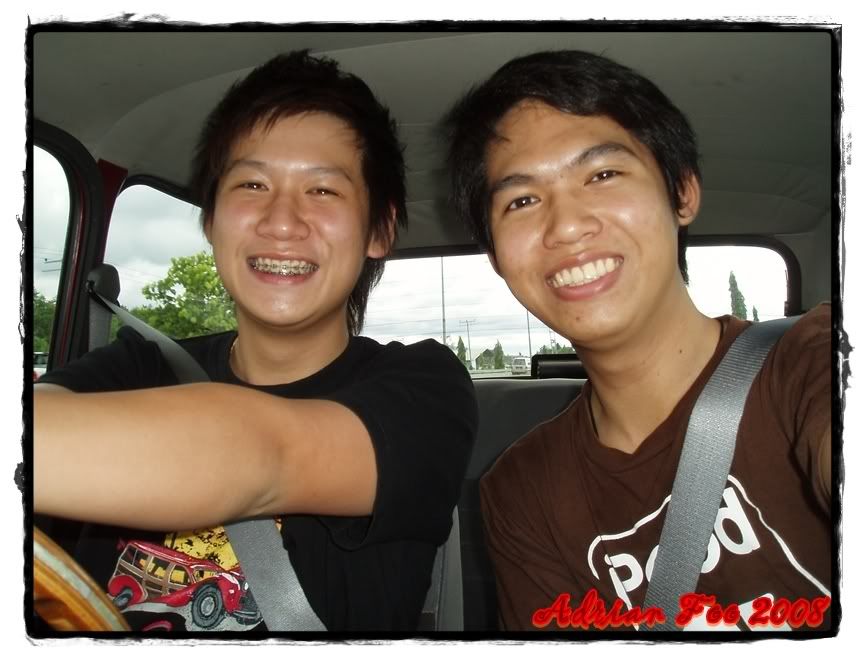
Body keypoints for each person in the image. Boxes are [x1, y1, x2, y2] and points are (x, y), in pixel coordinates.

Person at [34, 50, 478, 632]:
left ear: (379, 230)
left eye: (323, 190)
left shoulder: (425, 391)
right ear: (211, 220)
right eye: (252, 183)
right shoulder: (137, 365)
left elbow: (262, 456)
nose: (282, 221)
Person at [445, 50, 831, 632]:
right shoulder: (521, 490)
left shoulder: (815, 358)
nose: (566, 226)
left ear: (682, 193)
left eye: (602, 175)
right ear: (497, 258)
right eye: (521, 200)